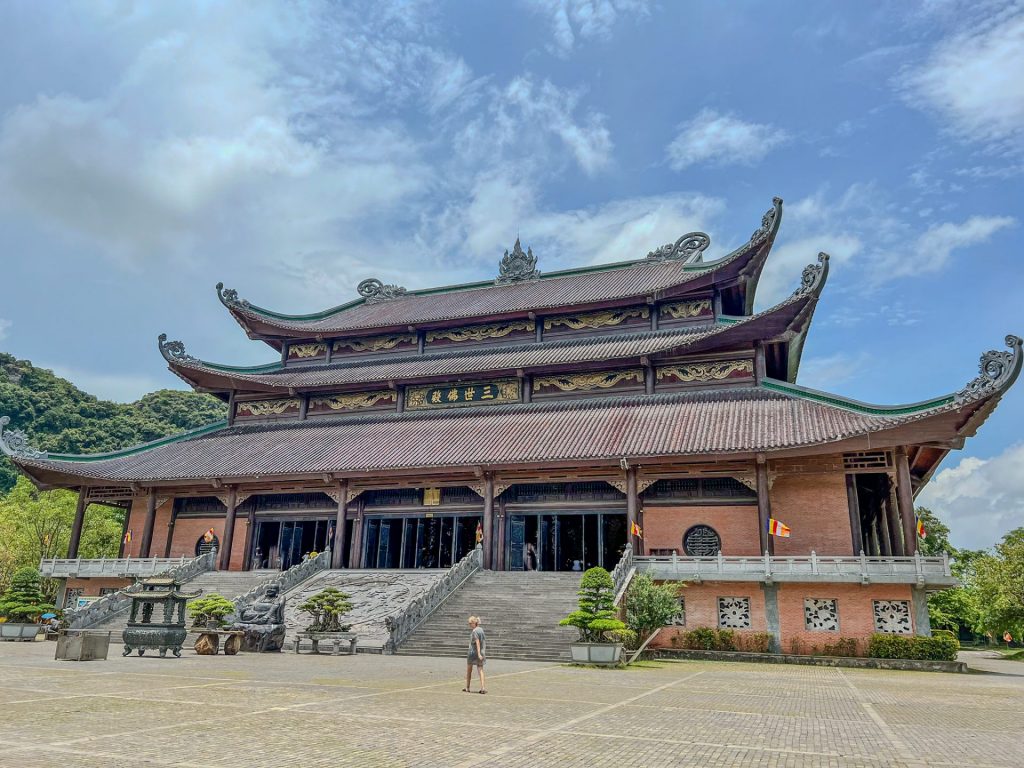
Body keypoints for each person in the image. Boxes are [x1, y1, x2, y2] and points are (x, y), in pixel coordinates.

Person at [464, 616, 486, 694]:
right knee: (480, 670)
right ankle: (483, 688)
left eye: (470, 623)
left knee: (469, 670)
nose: (469, 625)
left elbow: (477, 642)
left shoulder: (474, 631)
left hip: (473, 652)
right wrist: (481, 653)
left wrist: (479, 653)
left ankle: (467, 687)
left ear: (474, 623)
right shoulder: (481, 630)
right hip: (482, 652)